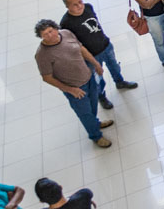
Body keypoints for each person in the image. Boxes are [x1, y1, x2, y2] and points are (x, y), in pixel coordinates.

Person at [35, 19, 112, 147]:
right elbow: (47, 77)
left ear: (56, 28)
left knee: (93, 106)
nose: (50, 35)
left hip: (89, 78)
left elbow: (81, 49)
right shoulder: (42, 54)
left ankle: (95, 123)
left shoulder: (66, 33)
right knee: (85, 113)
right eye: (45, 34)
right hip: (75, 88)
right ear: (41, 37)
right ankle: (96, 136)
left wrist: (95, 63)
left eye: (50, 31)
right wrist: (70, 90)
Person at [60, 0, 137, 111]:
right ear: (67, 7)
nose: (80, 6)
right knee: (97, 78)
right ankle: (101, 96)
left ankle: (120, 82)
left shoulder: (88, 7)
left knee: (114, 66)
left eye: (80, 2)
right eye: (75, 5)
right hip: (91, 56)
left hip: (105, 46)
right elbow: (73, 45)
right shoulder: (66, 23)